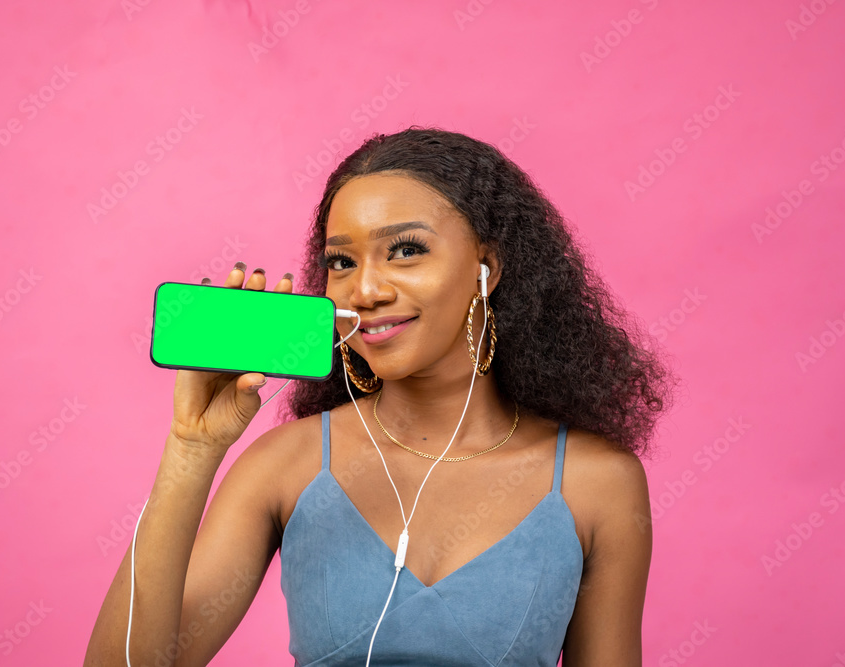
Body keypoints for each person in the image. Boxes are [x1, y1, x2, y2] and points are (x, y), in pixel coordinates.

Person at [84, 127, 675, 666]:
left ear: (485, 269)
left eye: (406, 250)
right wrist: (193, 448)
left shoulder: (596, 482)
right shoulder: (285, 467)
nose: (364, 289)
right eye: (342, 261)